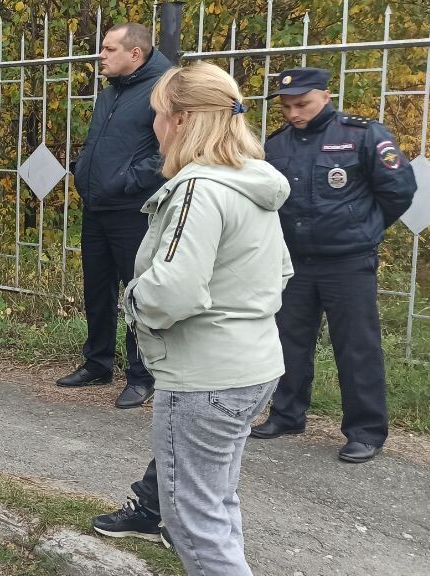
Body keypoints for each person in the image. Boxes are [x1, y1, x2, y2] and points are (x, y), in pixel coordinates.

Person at [94, 62, 291, 574]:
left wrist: (131, 299)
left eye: (158, 115)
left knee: (189, 519)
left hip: (205, 376)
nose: (153, 126)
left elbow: (173, 290)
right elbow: (281, 271)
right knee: (216, 502)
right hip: (253, 364)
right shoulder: (252, 182)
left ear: (181, 121)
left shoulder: (198, 188)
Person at [250, 67, 417, 463]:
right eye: (287, 106)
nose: (294, 113)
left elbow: (399, 190)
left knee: (356, 347)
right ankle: (287, 414)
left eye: (302, 104)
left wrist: (364, 230)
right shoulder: (278, 145)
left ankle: (365, 431)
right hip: (296, 263)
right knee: (289, 341)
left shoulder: (362, 135)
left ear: (326, 96)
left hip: (348, 261)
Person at [59, 22, 172, 409]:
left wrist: (127, 181)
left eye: (109, 49)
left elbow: (169, 149)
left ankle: (142, 376)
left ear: (135, 54)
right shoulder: (112, 91)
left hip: (133, 209)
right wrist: (83, 167)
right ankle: (97, 362)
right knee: (97, 289)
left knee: (136, 292)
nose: (101, 56)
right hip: (97, 206)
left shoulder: (164, 88)